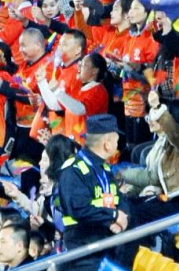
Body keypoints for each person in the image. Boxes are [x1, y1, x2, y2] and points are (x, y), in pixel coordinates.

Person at [59, 114, 127, 271]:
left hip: (107, 247)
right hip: (83, 253)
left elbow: (120, 199)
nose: (117, 145)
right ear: (107, 143)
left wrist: (122, 219)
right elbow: (79, 209)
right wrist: (113, 216)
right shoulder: (73, 170)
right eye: (116, 141)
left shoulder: (105, 169)